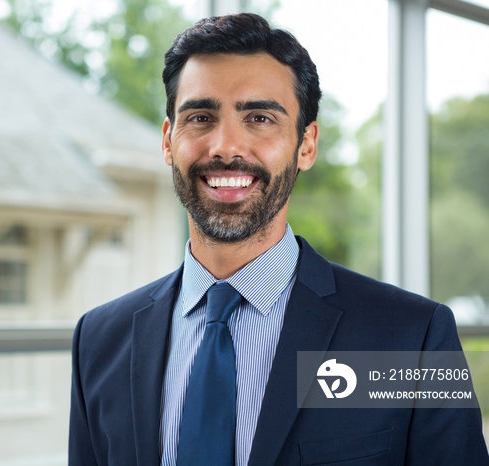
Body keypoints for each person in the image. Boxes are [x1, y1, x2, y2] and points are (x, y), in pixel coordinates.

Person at [68, 12, 489, 466]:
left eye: (260, 117)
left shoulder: (414, 339)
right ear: (169, 140)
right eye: (201, 117)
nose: (226, 146)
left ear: (306, 144)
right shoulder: (99, 339)